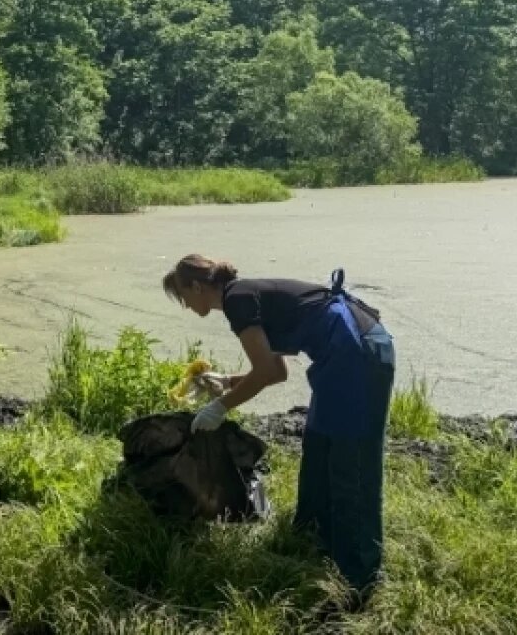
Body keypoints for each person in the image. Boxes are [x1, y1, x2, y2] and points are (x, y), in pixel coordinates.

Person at [162, 255, 395, 601]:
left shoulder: (237, 301)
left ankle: (357, 580)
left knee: (351, 462)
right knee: (318, 449)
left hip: (358, 353)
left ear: (197, 286)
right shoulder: (244, 297)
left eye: (183, 296)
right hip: (339, 356)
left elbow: (268, 374)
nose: (185, 305)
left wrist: (218, 409)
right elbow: (277, 370)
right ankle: (313, 540)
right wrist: (227, 382)